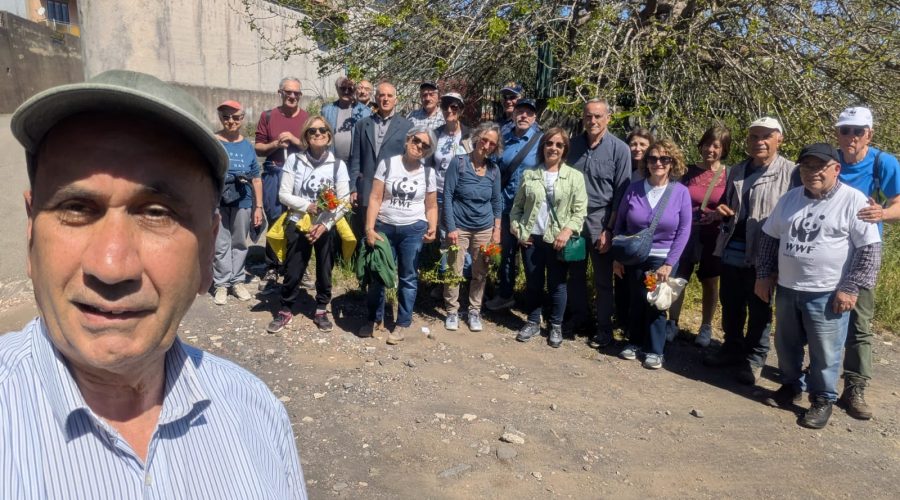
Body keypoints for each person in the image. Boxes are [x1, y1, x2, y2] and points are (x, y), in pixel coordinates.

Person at [2, 70, 307, 497]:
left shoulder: (256, 413)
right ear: (32, 232)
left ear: (208, 251)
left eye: (157, 213)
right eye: (76, 208)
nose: (111, 267)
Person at [757, 143, 881, 429]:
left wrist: (851, 287)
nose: (812, 172)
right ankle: (791, 385)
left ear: (836, 169)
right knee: (786, 345)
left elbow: (869, 250)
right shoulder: (790, 199)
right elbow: (769, 238)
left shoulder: (853, 201)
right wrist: (763, 274)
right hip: (788, 288)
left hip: (827, 292)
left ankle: (822, 399)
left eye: (819, 166)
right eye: (806, 166)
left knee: (825, 352)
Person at [707, 117, 796, 385]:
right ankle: (732, 348)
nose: (759, 142)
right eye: (754, 137)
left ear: (779, 139)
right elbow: (727, 203)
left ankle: (755, 358)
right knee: (731, 303)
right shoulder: (737, 170)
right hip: (733, 247)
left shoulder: (791, 173)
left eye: (766, 136)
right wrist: (722, 210)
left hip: (765, 252)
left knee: (760, 307)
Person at [832, 106, 900, 420]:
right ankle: (819, 372)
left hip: (863, 254)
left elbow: (898, 201)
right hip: (827, 251)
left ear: (869, 134)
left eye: (857, 131)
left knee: (858, 323)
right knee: (822, 315)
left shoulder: (882, 163)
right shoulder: (829, 160)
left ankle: (855, 386)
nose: (851, 136)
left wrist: (882, 213)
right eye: (845, 130)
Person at [612, 139, 692, 369]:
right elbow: (620, 224)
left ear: (672, 162)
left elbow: (684, 230)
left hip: (662, 257)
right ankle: (635, 342)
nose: (658, 163)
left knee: (657, 302)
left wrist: (669, 263)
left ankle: (655, 350)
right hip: (636, 256)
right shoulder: (634, 189)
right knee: (637, 300)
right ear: (646, 162)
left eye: (664, 158)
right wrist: (618, 257)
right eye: (653, 158)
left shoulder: (680, 192)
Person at [267, 116, 351, 334]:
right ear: (305, 135)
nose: (317, 134)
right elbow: (283, 194)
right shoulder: (294, 161)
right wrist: (307, 206)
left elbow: (344, 201)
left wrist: (325, 225)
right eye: (312, 131)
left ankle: (321, 309)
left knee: (325, 269)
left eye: (322, 130)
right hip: (298, 222)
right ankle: (286, 309)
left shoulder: (338, 165)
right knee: (293, 269)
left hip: (326, 225)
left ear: (329, 135)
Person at [509, 128, 588, 348]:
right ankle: (533, 321)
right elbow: (516, 208)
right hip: (531, 239)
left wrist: (567, 231)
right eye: (549, 143)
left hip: (557, 241)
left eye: (559, 145)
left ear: (565, 149)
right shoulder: (530, 174)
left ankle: (555, 324)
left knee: (557, 285)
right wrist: (518, 231)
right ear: (543, 146)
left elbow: (580, 211)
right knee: (533, 283)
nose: (553, 148)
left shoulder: (575, 177)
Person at [361, 126, 439, 344]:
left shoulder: (428, 173)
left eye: (425, 146)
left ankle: (402, 324)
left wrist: (432, 227)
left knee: (408, 277)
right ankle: (374, 319)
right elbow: (375, 198)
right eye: (416, 140)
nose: (419, 146)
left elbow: (431, 205)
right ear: (407, 140)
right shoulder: (387, 164)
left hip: (413, 229)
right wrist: (369, 228)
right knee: (378, 274)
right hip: (385, 227)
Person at [565, 99, 632, 347]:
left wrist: (609, 230)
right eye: (588, 116)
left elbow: (621, 194)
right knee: (575, 273)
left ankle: (604, 328)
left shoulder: (620, 149)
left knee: (603, 279)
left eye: (598, 116)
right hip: (574, 219)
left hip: (601, 220)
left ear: (608, 118)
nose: (592, 121)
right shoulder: (572, 146)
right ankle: (579, 319)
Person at [667, 126, 731, 346]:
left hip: (713, 236)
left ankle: (705, 327)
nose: (710, 149)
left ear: (724, 150)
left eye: (716, 146)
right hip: (686, 234)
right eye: (707, 144)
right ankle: (672, 322)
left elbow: (733, 206)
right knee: (678, 279)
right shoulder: (688, 172)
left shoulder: (729, 175)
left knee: (710, 281)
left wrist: (720, 214)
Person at [441, 122, 503, 332]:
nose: (486, 145)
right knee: (454, 270)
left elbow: (497, 201)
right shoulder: (458, 163)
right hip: (459, 226)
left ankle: (474, 310)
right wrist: (451, 227)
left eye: (492, 143)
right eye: (484, 140)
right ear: (477, 138)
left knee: (480, 271)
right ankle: (452, 310)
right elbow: (447, 196)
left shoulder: (494, 170)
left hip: (484, 228)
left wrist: (497, 229)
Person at [485, 99, 543, 311]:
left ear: (534, 117)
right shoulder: (504, 139)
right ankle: (506, 294)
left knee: (531, 257)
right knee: (507, 255)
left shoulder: (542, 141)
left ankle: (534, 304)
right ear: (513, 114)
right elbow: (493, 169)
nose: (523, 116)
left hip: (530, 211)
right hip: (506, 206)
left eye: (528, 113)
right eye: (520, 111)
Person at [255, 76, 311, 292]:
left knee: (298, 220)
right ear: (280, 93)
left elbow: (314, 146)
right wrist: (275, 144)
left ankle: (298, 265)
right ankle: (273, 266)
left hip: (300, 175)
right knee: (275, 218)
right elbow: (259, 148)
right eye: (288, 92)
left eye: (297, 93)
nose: (292, 96)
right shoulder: (268, 116)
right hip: (274, 172)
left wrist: (295, 141)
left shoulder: (307, 119)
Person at [212, 100, 263, 305]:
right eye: (226, 116)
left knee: (240, 242)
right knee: (220, 243)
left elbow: (256, 178)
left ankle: (238, 281)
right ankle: (221, 283)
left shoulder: (247, 146)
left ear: (242, 119)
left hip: (243, 199)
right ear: (220, 118)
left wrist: (258, 207)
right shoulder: (213, 141)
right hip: (218, 200)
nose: (230, 121)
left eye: (235, 117)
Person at [348, 81, 414, 240]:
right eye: (382, 95)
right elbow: (355, 158)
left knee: (386, 235)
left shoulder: (406, 126)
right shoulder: (362, 125)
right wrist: (353, 188)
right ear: (376, 98)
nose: (385, 99)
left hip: (392, 190)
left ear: (396, 100)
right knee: (365, 233)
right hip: (367, 187)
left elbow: (408, 161)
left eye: (389, 96)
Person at [615, 126, 657, 332]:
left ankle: (646, 324)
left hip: (651, 239)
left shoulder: (656, 173)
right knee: (623, 279)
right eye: (633, 144)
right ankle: (623, 322)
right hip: (626, 234)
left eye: (642, 144)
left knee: (647, 283)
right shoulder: (624, 170)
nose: (637, 148)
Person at [322, 76, 371, 163]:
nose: (346, 91)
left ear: (355, 90)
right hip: (331, 160)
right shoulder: (327, 111)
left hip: (355, 162)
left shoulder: (365, 112)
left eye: (350, 88)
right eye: (343, 88)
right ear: (337, 89)